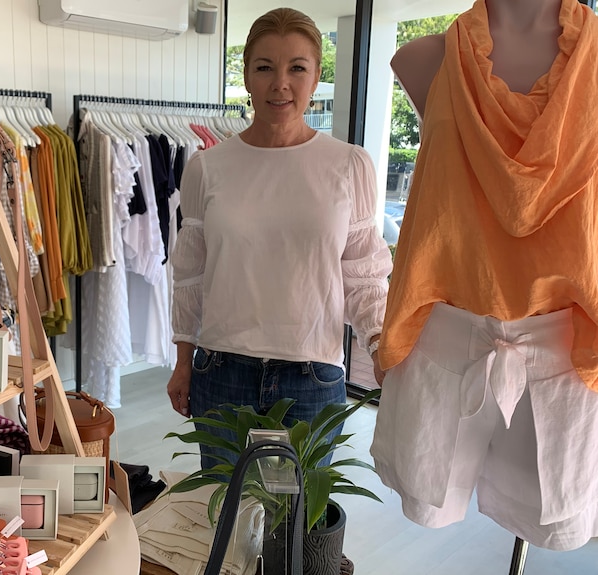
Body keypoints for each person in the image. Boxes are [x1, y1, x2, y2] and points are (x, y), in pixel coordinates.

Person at [371, 0, 598, 552]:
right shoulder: (426, 59)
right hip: (446, 344)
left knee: (550, 519)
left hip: (566, 359)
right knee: (431, 499)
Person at [168, 7, 392, 470]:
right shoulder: (207, 168)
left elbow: (364, 273)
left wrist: (379, 344)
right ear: (247, 76)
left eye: (297, 68)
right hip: (222, 370)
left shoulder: (349, 166)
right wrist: (183, 360)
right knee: (229, 526)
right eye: (265, 67)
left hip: (312, 376)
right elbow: (189, 273)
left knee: (295, 534)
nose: (280, 83)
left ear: (315, 77)